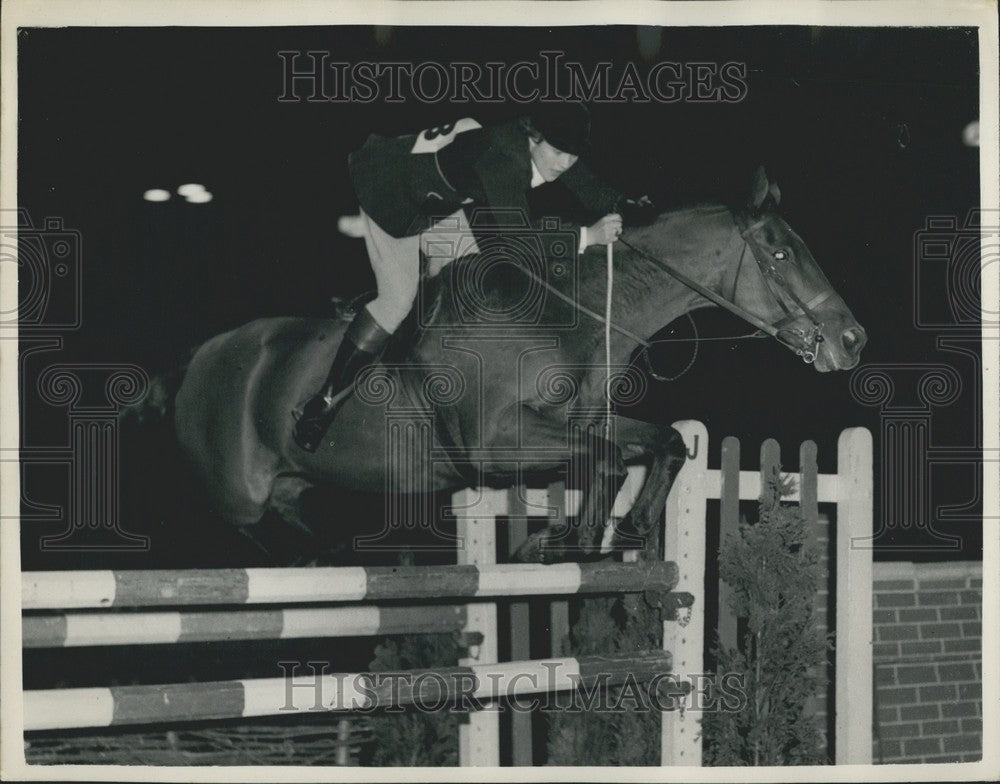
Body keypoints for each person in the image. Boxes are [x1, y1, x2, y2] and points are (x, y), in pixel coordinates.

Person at [294, 101, 652, 451]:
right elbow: (518, 239)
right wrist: (587, 236)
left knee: (472, 277)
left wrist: (621, 203)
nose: (565, 163)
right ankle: (324, 402)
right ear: (534, 136)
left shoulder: (546, 146)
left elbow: (580, 177)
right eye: (559, 152)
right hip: (392, 196)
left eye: (572, 154)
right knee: (399, 300)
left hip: (438, 200)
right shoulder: (503, 158)